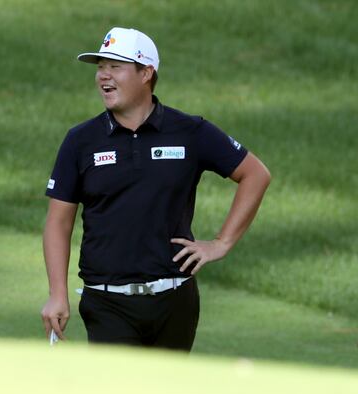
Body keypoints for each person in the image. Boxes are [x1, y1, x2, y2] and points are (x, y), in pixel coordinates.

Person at [41, 27, 271, 351]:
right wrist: (57, 294)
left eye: (115, 66)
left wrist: (221, 244)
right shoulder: (80, 141)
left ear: (146, 73)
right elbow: (58, 221)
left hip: (176, 302)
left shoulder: (190, 132)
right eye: (100, 67)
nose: (103, 76)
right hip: (108, 304)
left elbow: (255, 174)